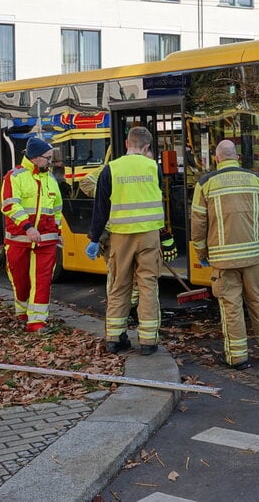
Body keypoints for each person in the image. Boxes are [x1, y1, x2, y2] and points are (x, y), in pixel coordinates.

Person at [190, 139, 259, 370]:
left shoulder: (206, 183)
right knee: (258, 302)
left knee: (231, 307)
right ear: (237, 157)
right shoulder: (256, 180)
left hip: (223, 259)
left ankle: (238, 357)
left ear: (217, 158)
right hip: (252, 256)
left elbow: (198, 223)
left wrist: (201, 252)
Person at [85, 126, 165, 355]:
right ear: (147, 147)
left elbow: (101, 208)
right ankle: (149, 341)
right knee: (148, 285)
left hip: (120, 237)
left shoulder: (111, 169)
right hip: (149, 235)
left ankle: (114, 338)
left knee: (120, 285)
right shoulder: (153, 168)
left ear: (127, 143)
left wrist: (94, 238)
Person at [0, 137, 63, 333]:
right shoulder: (14, 176)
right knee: (20, 280)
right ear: (36, 158)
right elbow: (10, 205)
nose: (51, 162)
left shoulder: (50, 179)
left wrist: (58, 231)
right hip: (19, 239)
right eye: (48, 158)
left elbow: (57, 209)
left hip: (46, 241)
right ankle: (23, 311)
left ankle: (37, 322)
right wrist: (28, 227)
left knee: (43, 280)